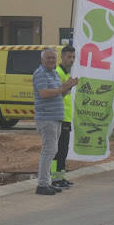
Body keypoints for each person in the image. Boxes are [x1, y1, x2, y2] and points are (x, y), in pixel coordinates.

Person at [32, 48, 77, 195]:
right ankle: (42, 185)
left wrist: (68, 88)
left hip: (57, 118)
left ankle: (49, 182)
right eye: (48, 58)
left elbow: (60, 94)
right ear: (42, 60)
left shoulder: (54, 74)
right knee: (48, 151)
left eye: (53, 58)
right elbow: (44, 93)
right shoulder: (40, 74)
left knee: (54, 151)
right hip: (47, 118)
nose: (51, 60)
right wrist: (62, 88)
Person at [51, 45, 75, 188]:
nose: (71, 60)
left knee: (63, 151)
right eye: (69, 57)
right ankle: (54, 179)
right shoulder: (58, 72)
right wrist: (67, 86)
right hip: (58, 117)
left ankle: (61, 177)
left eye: (73, 57)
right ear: (62, 57)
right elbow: (56, 94)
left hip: (66, 117)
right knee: (57, 151)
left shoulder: (67, 73)